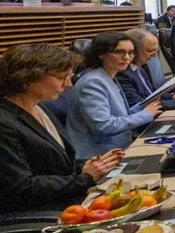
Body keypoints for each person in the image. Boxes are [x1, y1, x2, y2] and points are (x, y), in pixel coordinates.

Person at [0, 44, 124, 219]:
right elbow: (22, 188)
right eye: (61, 77)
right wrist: (85, 178)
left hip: (63, 200)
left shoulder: (39, 108)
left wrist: (91, 165)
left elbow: (52, 164)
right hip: (38, 215)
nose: (68, 84)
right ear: (28, 78)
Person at [65, 31, 163, 159]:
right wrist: (146, 114)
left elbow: (119, 115)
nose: (127, 58)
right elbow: (104, 125)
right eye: (119, 52)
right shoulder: (93, 82)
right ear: (101, 54)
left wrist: (142, 106)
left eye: (131, 52)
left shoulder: (108, 76)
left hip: (117, 148)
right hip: (98, 157)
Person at [117, 29, 175, 111]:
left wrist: (173, 97)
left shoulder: (138, 67)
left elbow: (151, 94)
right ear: (134, 51)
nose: (154, 55)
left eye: (156, 50)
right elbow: (139, 106)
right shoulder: (122, 74)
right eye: (150, 50)